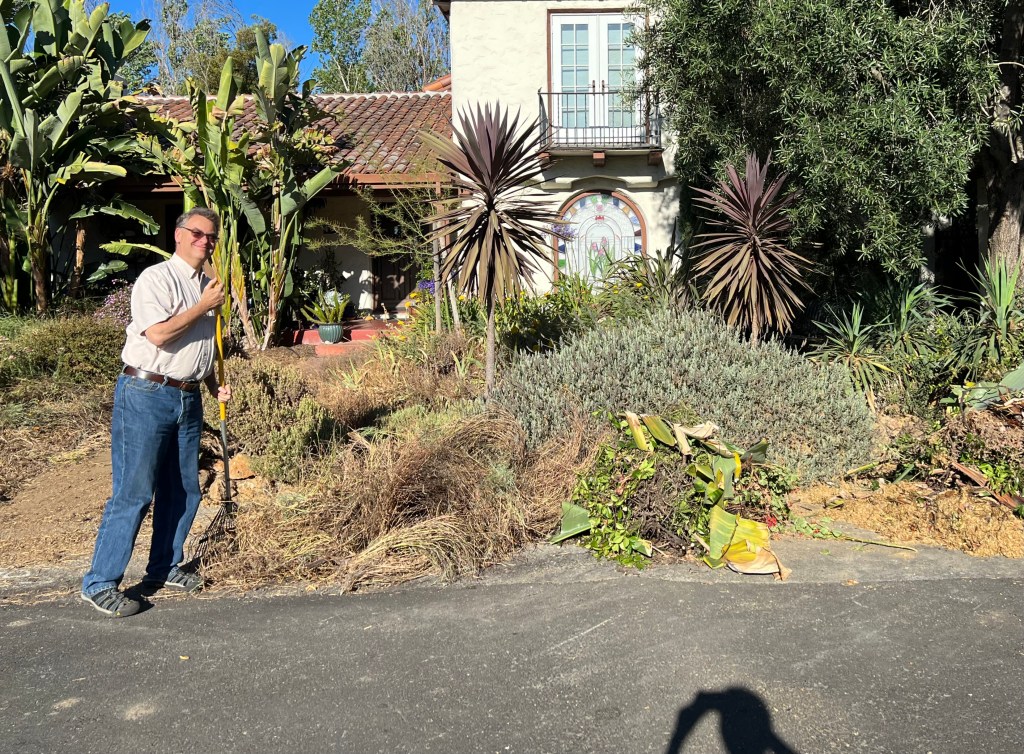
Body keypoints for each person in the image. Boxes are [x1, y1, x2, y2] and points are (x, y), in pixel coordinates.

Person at [81, 207, 231, 618]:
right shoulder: (157, 279)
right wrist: (203, 305)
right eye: (197, 233)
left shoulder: (208, 285)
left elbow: (203, 344)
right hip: (147, 392)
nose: (205, 242)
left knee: (183, 489)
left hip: (188, 396)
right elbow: (160, 335)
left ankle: (163, 567)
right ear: (179, 235)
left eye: (211, 237)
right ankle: (100, 583)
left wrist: (213, 384)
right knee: (134, 492)